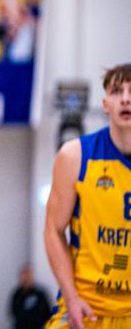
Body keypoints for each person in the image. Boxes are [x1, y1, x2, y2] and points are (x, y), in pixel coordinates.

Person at [44, 63, 131, 329]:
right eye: (117, 91)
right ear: (105, 104)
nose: (126, 98)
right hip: (84, 304)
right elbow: (53, 230)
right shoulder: (75, 156)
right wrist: (71, 297)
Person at [10, 263, 50, 329]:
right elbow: (13, 312)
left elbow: (47, 313)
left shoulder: (40, 294)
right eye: (24, 274)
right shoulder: (17, 295)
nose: (26, 277)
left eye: (29, 274)